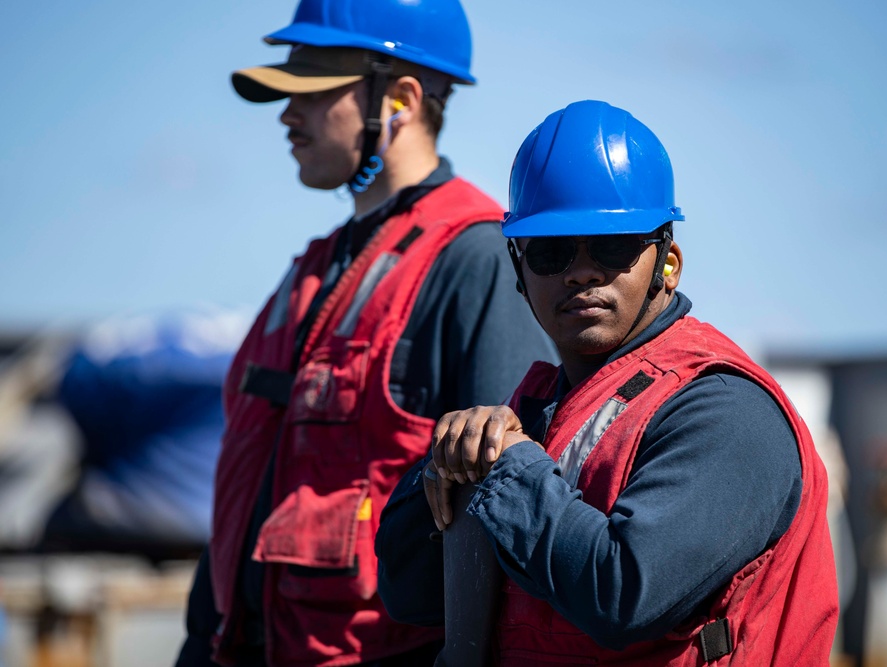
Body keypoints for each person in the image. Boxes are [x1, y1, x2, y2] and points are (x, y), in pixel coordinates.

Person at [376, 100, 839, 665]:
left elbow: (625, 595)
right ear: (519, 271)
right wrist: (449, 463)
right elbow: (408, 592)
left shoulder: (723, 408)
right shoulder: (537, 409)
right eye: (551, 251)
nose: (581, 270)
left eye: (613, 244)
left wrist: (507, 469)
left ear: (668, 263)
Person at [174, 0, 556, 664]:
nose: (287, 114)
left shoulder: (475, 258)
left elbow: (513, 505)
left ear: (402, 98)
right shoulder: (312, 273)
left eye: (314, 88)